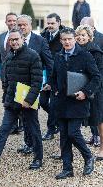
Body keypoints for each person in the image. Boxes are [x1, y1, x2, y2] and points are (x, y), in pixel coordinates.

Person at [0, 28, 43, 170]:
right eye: (11, 40)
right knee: (4, 130)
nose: (14, 42)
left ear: (22, 39)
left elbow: (37, 82)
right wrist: (6, 95)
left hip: (27, 102)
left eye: (16, 39)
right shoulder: (8, 56)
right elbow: (5, 79)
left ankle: (38, 158)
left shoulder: (33, 56)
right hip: (12, 102)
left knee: (34, 130)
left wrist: (29, 100)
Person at [52, 27, 99, 179]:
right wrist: (53, 88)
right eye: (64, 39)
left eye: (69, 39)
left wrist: (85, 92)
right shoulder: (58, 56)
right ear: (60, 40)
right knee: (64, 136)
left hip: (79, 101)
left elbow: (96, 77)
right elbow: (53, 77)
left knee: (73, 133)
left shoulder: (85, 55)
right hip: (61, 102)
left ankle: (88, 157)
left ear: (74, 39)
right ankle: (67, 169)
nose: (66, 42)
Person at [16, 14, 53, 155]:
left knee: (33, 117)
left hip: (37, 83)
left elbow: (49, 62)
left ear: (31, 25)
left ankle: (36, 148)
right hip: (21, 85)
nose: (22, 27)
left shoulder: (40, 41)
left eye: (24, 24)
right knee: (24, 116)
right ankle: (28, 143)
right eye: (19, 25)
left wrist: (50, 81)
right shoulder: (14, 40)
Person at [0, 12, 23, 135]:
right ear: (6, 22)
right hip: (5, 73)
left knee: (19, 98)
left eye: (14, 20)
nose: (12, 23)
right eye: (9, 21)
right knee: (8, 98)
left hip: (19, 72)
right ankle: (13, 125)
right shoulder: (1, 37)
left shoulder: (21, 37)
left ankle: (22, 124)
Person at [75, 25, 103, 160]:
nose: (80, 37)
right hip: (78, 89)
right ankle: (65, 149)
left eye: (83, 35)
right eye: (78, 35)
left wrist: (90, 89)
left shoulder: (96, 52)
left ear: (89, 37)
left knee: (99, 120)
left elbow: (99, 75)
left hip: (96, 90)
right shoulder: (74, 51)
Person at [40, 13, 64, 141]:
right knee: (43, 102)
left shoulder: (64, 36)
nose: (49, 26)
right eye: (48, 23)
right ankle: (58, 120)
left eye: (52, 23)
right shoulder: (42, 36)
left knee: (54, 104)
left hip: (58, 75)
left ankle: (51, 129)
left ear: (58, 23)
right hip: (44, 74)